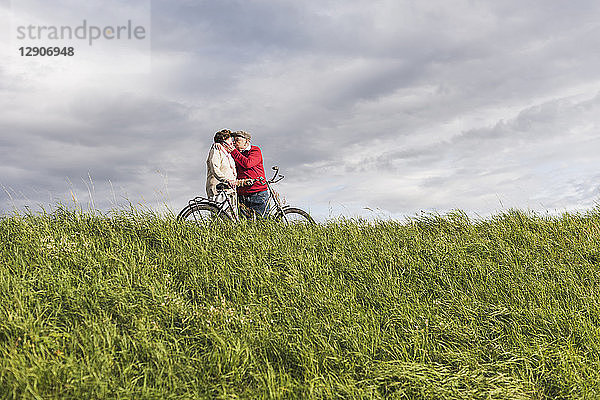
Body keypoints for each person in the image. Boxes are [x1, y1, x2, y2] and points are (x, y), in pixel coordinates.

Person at [223, 130, 269, 217]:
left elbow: (248, 163)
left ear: (246, 142)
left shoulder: (255, 150)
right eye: (233, 140)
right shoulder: (236, 154)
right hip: (242, 193)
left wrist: (234, 152)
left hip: (258, 193)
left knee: (262, 223)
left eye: (237, 140)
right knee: (246, 224)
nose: (234, 142)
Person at [206, 129, 237, 210]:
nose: (232, 143)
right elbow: (214, 167)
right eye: (230, 141)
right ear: (223, 141)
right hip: (218, 189)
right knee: (219, 216)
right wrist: (225, 180)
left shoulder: (228, 154)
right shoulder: (216, 150)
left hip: (229, 189)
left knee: (230, 217)